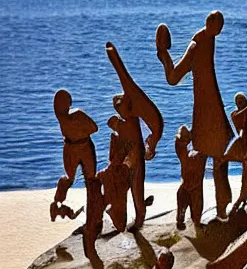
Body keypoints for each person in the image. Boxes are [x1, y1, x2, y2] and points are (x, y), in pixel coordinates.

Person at [156, 12, 234, 219]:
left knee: (220, 157)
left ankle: (220, 209)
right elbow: (173, 77)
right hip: (206, 109)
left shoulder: (208, 40)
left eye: (221, 27)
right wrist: (164, 56)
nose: (219, 31)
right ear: (209, 24)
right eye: (217, 26)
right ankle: (199, 212)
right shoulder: (196, 45)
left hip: (211, 106)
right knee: (209, 157)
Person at [106, 42, 163, 230]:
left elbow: (124, 78)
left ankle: (139, 218)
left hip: (135, 161)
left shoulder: (130, 120)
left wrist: (114, 59)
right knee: (125, 190)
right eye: (117, 106)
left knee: (137, 191)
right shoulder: (126, 121)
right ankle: (125, 215)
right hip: (128, 162)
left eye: (120, 105)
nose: (118, 108)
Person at [51, 89, 98, 212]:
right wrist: (80, 129)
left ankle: (59, 201)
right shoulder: (77, 115)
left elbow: (94, 128)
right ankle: (92, 207)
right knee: (90, 178)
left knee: (72, 178)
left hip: (71, 147)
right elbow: (94, 128)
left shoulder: (61, 118)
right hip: (82, 147)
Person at [175, 125, 207, 229]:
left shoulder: (197, 154)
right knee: (184, 219)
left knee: (195, 219)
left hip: (192, 190)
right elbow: (179, 141)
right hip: (189, 189)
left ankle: (190, 224)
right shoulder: (189, 154)